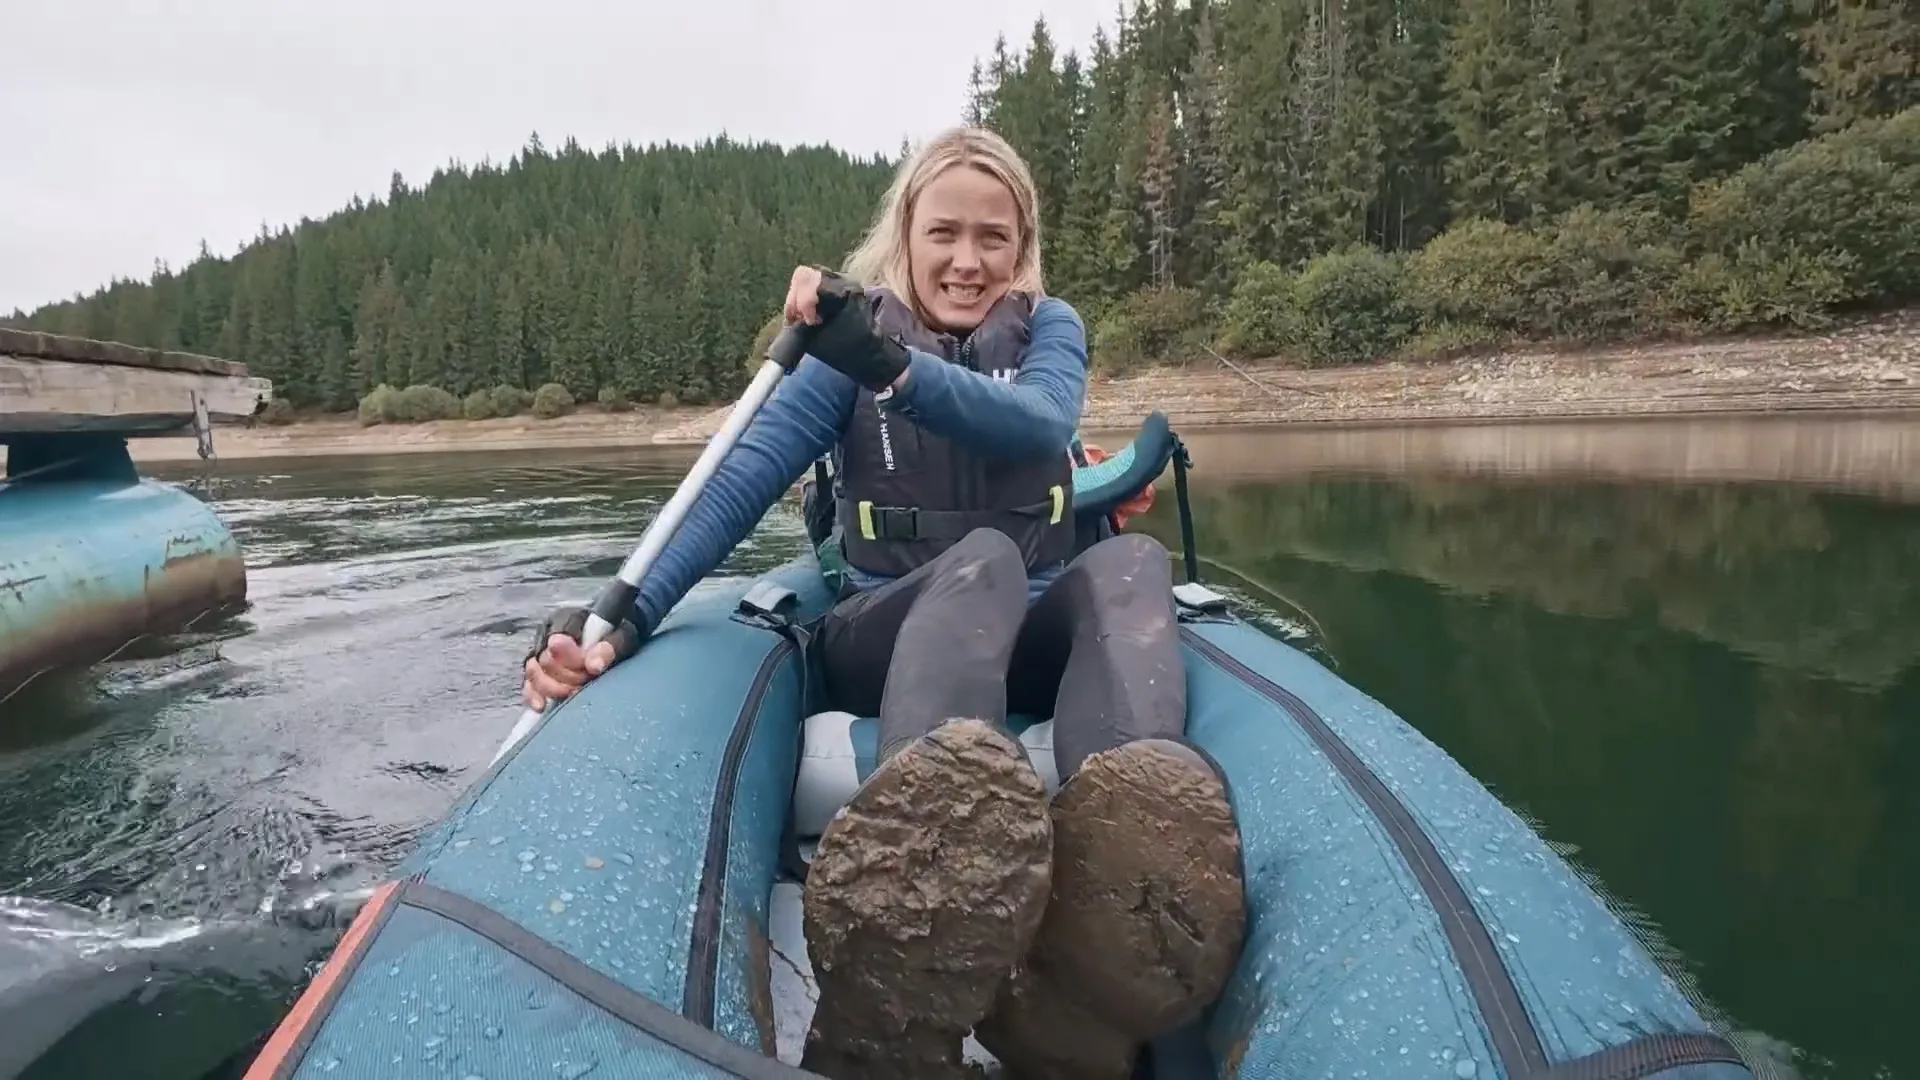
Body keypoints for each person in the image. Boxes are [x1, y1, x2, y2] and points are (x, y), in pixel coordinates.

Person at [521, 126, 1246, 1080]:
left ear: (1022, 246)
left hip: (1026, 633)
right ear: (905, 234)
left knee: (1132, 565)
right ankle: (911, 935)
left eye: (993, 237)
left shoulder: (1049, 330)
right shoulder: (845, 351)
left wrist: (892, 368)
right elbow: (736, 485)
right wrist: (621, 617)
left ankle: (1107, 925)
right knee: (982, 561)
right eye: (944, 232)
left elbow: (1041, 424)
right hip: (886, 636)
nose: (967, 260)